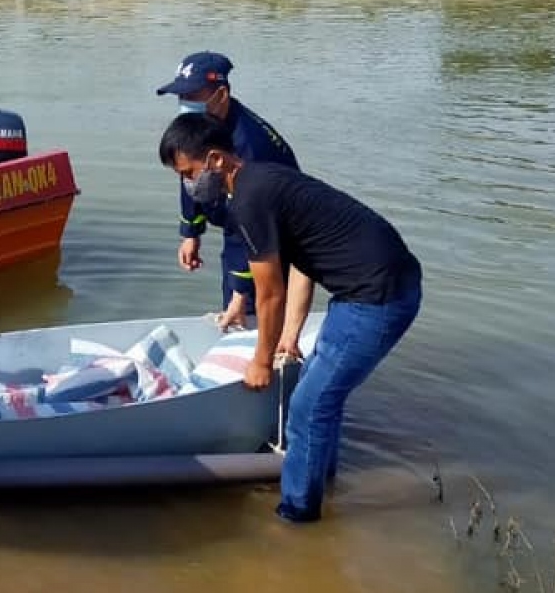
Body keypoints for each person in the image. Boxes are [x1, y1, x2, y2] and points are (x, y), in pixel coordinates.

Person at [158, 113, 423, 523]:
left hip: (376, 299)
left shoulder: (249, 198)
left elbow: (269, 292)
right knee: (321, 400)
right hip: (372, 288)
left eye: (189, 173)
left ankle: (297, 516)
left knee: (308, 406)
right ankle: (321, 480)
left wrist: (261, 361)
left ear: (215, 160)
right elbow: (304, 261)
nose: (188, 185)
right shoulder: (262, 180)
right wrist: (290, 334)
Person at [156, 51, 300, 328]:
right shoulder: (203, 129)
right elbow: (188, 171)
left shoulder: (250, 150)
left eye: (193, 97)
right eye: (181, 97)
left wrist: (241, 294)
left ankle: (262, 355)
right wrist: (191, 232)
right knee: (237, 303)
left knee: (255, 310)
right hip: (241, 227)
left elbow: (248, 228)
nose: (185, 105)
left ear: (221, 95)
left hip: (272, 235)